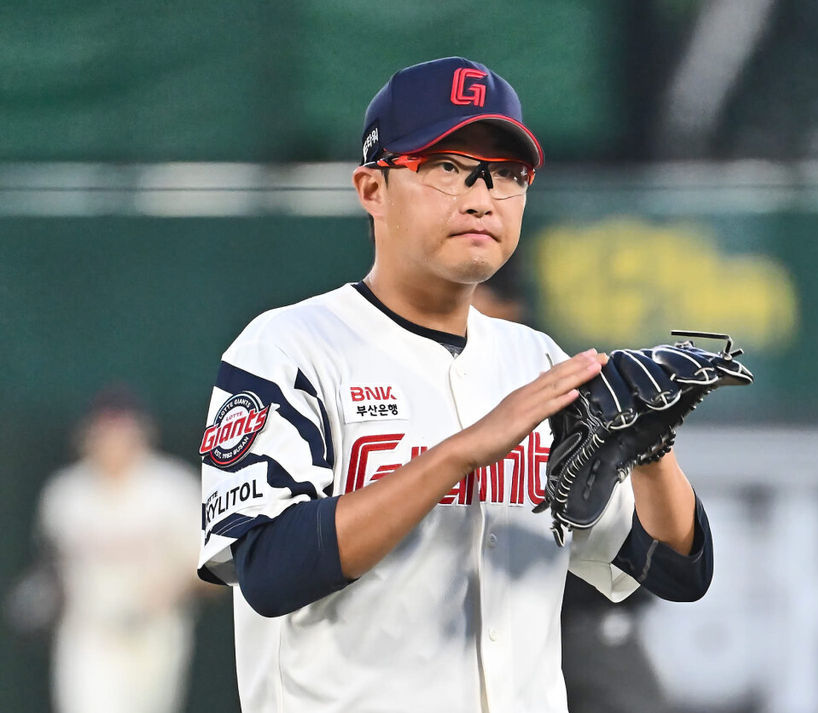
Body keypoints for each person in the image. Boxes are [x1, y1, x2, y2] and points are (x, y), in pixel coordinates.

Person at [198, 56, 713, 713]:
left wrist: (653, 453)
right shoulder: (289, 348)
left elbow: (672, 567)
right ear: (372, 188)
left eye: (505, 174)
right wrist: (460, 451)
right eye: (446, 167)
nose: (481, 197)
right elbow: (267, 569)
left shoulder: (538, 361)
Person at [34, 386, 201, 713]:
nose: (113, 440)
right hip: (89, 636)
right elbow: (50, 570)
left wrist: (176, 585)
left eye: (122, 429)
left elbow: (213, 572)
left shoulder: (172, 488)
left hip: (154, 635)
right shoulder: (65, 494)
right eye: (105, 431)